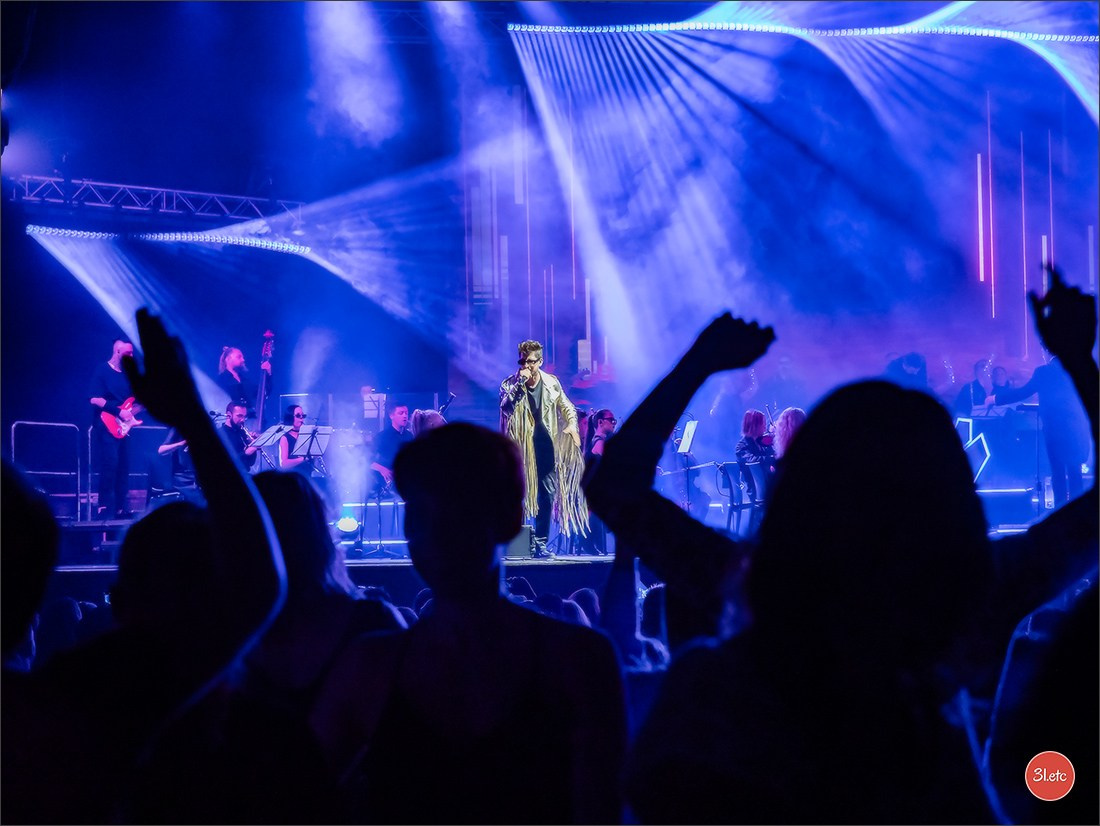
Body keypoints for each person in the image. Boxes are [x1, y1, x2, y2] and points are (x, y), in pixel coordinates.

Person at [308, 423, 627, 824]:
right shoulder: (577, 658)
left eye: (459, 507)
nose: (436, 531)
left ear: (509, 517)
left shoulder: (372, 667)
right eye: (420, 511)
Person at [499, 340, 587, 558]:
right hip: (520, 448)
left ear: (540, 361)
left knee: (547, 495)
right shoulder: (510, 384)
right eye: (522, 361)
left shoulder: (552, 383)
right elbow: (506, 408)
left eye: (530, 361)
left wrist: (571, 425)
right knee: (516, 494)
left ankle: (540, 543)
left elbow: (568, 407)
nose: (525, 365)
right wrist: (520, 385)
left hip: (546, 446)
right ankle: (515, 544)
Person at [985, 352, 1090, 507]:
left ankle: (1061, 516)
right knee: (1075, 473)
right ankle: (1081, 517)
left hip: (1055, 430)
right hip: (1077, 429)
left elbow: (1023, 392)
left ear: (1046, 351)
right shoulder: (1078, 369)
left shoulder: (1044, 372)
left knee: (1058, 473)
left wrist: (995, 399)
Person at [89, 337, 140, 519]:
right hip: (106, 424)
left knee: (124, 467)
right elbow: (94, 398)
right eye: (128, 353)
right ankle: (103, 506)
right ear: (117, 351)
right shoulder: (102, 370)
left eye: (133, 353)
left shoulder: (129, 375)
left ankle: (121, 508)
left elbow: (135, 402)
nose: (132, 356)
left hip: (124, 428)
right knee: (110, 464)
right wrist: (119, 412)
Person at [369, 399, 412, 493]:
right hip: (388, 485)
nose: (405, 416)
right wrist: (382, 469)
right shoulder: (381, 437)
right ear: (391, 416)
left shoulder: (410, 436)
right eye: (401, 413)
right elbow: (367, 459)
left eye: (406, 413)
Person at [216, 345, 270, 416]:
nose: (243, 360)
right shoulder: (222, 380)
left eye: (243, 357)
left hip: (250, 419)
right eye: (239, 357)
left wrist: (268, 374)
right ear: (228, 359)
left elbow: (262, 393)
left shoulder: (245, 380)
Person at [221, 401, 260, 471]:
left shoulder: (242, 433)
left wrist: (253, 444)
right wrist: (245, 453)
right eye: (239, 416)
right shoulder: (221, 434)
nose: (243, 420)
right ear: (229, 414)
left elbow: (250, 463)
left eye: (244, 416)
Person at [278, 404, 309, 473]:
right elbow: (283, 464)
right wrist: (302, 459)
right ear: (290, 418)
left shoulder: (307, 435)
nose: (302, 418)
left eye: (303, 416)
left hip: (307, 475)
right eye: (298, 416)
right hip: (293, 477)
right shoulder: (285, 437)